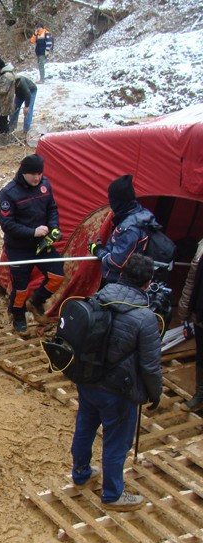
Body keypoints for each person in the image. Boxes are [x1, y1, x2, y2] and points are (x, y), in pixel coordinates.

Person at [70, 253, 162, 511]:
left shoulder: (101, 295)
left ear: (122, 273)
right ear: (147, 283)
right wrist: (155, 394)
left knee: (85, 427)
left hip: (88, 378)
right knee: (116, 441)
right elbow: (150, 366)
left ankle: (81, 473)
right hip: (118, 390)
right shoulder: (145, 318)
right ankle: (112, 495)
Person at [0, 154, 65, 334]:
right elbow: (7, 224)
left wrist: (53, 227)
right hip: (19, 247)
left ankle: (36, 302)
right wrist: (32, 232)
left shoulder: (45, 185)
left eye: (40, 174)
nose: (37, 178)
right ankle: (17, 314)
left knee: (57, 275)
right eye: (33, 174)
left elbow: (52, 208)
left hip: (43, 244)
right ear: (23, 172)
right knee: (20, 286)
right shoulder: (8, 193)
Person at [90, 174, 161, 285]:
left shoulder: (131, 228)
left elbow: (117, 262)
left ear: (119, 200)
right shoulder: (137, 214)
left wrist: (98, 251)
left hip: (119, 283)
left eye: (112, 199)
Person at [177, 237, 203, 411]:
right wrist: (184, 310)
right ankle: (200, 395)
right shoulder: (202, 247)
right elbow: (192, 281)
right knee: (201, 356)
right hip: (201, 313)